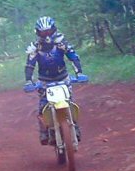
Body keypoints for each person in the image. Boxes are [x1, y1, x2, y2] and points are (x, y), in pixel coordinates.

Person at [23, 16, 87, 144]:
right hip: (44, 82)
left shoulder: (61, 43)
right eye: (43, 32)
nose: (46, 35)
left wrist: (79, 73)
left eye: (49, 32)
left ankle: (75, 126)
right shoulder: (35, 48)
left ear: (54, 30)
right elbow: (30, 65)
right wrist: (29, 81)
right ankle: (44, 132)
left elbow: (73, 57)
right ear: (38, 33)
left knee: (69, 101)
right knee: (42, 107)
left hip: (63, 78)